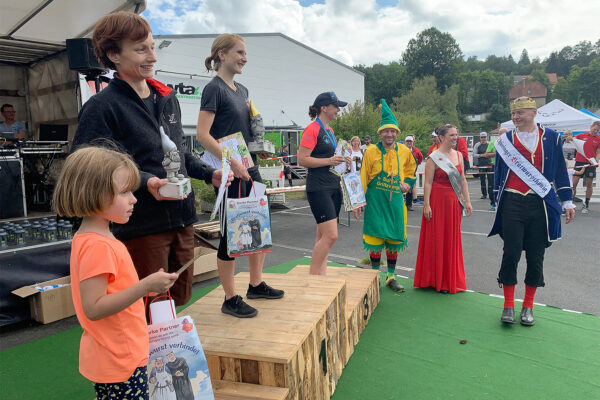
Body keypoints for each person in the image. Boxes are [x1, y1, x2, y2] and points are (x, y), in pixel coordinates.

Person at [72, 12, 231, 311]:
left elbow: (179, 154)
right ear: (113, 54)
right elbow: (87, 166)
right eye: (141, 49)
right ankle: (143, 358)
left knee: (178, 300)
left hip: (182, 218)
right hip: (142, 225)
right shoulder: (101, 107)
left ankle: (166, 355)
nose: (152, 56)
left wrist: (210, 174)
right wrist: (147, 181)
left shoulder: (166, 98)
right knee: (148, 306)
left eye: (153, 47)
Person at [53, 146, 178, 400]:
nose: (133, 199)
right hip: (120, 357)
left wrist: (146, 286)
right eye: (124, 192)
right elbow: (94, 307)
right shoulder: (99, 245)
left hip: (112, 354)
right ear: (94, 193)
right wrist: (144, 287)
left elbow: (110, 291)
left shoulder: (91, 237)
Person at [196, 33, 283, 318]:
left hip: (251, 166)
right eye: (239, 52)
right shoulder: (214, 89)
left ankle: (256, 284)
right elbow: (202, 135)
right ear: (221, 54)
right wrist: (230, 162)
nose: (245, 57)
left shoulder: (243, 90)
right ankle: (230, 297)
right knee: (231, 234)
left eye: (245, 53)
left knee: (259, 226)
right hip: (231, 171)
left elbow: (246, 131)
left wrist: (260, 149)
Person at [489, 97, 575, 326]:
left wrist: (567, 201)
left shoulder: (552, 138)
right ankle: (508, 304)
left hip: (541, 204)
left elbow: (559, 171)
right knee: (511, 253)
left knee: (536, 256)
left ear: (534, 112)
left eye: (521, 113)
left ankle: (528, 306)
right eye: (514, 113)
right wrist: (496, 198)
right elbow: (498, 172)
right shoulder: (505, 140)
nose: (516, 117)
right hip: (512, 202)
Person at [361, 100, 417, 291]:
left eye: (393, 131)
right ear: (380, 133)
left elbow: (411, 170)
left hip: (395, 203)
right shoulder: (370, 151)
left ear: (397, 133)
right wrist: (358, 202)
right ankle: (374, 276)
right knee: (376, 238)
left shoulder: (404, 150)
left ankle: (391, 277)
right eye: (386, 131)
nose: (390, 134)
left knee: (394, 237)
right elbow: (362, 177)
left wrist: (408, 185)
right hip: (375, 201)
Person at [414, 124, 473, 294]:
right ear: (441, 137)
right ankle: (435, 279)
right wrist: (426, 204)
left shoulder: (459, 155)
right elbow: (428, 183)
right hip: (438, 201)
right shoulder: (433, 158)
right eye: (452, 135)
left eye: (456, 135)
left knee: (451, 239)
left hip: (454, 202)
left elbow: (462, 180)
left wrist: (467, 201)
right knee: (437, 238)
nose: (455, 138)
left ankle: (448, 279)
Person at [298, 91, 350, 275]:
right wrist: (330, 161)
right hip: (318, 187)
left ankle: (321, 274)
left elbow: (330, 158)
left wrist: (343, 160)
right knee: (331, 235)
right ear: (324, 108)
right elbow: (302, 160)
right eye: (336, 107)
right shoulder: (312, 129)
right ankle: (313, 278)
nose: (338, 110)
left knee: (322, 236)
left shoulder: (330, 130)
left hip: (333, 185)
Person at [572, 121, 600, 213]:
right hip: (579, 162)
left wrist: (596, 160)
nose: (595, 131)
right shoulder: (581, 135)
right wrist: (568, 138)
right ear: (591, 127)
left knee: (589, 184)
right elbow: (572, 140)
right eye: (594, 129)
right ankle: (570, 204)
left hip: (590, 164)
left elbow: (599, 152)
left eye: (597, 130)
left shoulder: (598, 139)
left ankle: (586, 204)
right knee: (574, 184)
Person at [474, 132, 496, 210]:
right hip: (481, 163)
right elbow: (474, 154)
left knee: (490, 180)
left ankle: (491, 193)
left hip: (489, 164)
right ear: (480, 138)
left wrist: (487, 155)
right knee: (482, 179)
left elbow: (492, 152)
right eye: (482, 137)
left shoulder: (490, 143)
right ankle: (484, 194)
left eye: (484, 137)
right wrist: (481, 155)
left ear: (486, 137)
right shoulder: (477, 145)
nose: (483, 139)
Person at [403, 135, 423, 211]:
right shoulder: (401, 149)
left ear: (412, 142)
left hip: (411, 174)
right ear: (405, 142)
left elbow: (420, 158)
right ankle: (400, 204)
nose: (409, 143)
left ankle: (409, 205)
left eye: (410, 141)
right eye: (407, 141)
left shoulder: (416, 151)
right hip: (401, 172)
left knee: (410, 189)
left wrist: (416, 164)